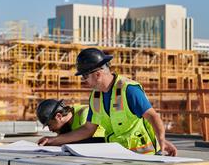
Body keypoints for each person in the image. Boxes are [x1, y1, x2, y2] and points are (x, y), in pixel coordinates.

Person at [38, 48, 177, 156]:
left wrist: (162, 140)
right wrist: (52, 141)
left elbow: (153, 116)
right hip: (116, 154)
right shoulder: (95, 97)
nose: (83, 80)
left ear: (97, 74)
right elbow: (88, 130)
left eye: (85, 76)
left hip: (143, 156)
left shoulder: (129, 90)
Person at [36, 99, 105, 142]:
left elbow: (90, 140)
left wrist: (55, 140)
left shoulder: (85, 115)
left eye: (49, 125)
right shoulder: (70, 120)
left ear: (58, 116)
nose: (50, 129)